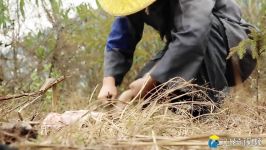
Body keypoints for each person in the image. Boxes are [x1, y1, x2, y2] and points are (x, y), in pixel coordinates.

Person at [97, 0, 256, 104]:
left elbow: (194, 33)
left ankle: (210, 105)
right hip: (183, 44)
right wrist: (109, 82)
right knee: (141, 99)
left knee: (204, 30)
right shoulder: (131, 3)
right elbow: (121, 37)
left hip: (234, 47)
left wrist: (151, 80)